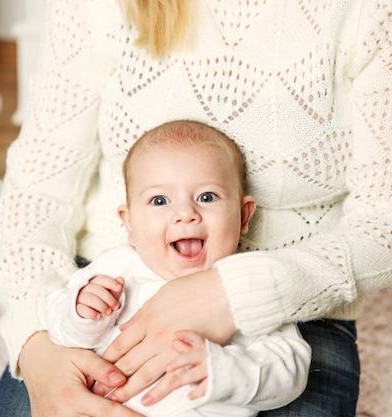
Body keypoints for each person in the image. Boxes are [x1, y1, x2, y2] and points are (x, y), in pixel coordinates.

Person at [0, 1, 392, 416]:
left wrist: (232, 294)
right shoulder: (106, 279)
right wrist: (38, 344)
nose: (187, 214)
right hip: (110, 278)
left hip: (296, 296)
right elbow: (36, 189)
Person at [45, 120, 311, 416]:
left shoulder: (250, 286)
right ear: (129, 223)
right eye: (159, 200)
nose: (185, 214)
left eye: (206, 197)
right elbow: (61, 329)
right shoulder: (116, 267)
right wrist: (80, 312)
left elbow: (291, 368)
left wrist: (222, 369)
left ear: (243, 215)